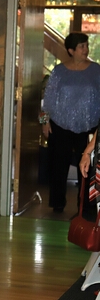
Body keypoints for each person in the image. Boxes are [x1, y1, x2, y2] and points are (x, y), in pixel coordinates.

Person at [41, 32, 100, 213]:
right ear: (71, 50)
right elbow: (47, 99)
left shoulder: (96, 70)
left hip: (89, 126)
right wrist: (44, 122)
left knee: (88, 167)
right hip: (60, 125)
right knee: (58, 166)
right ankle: (57, 203)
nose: (86, 49)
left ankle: (86, 206)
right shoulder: (59, 71)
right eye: (82, 46)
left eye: (86, 45)